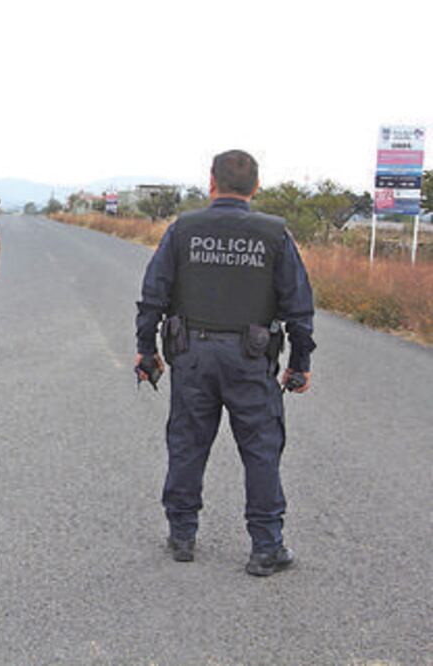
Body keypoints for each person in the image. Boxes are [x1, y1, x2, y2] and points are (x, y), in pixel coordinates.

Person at [134, 150, 316, 577]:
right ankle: (266, 546)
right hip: (251, 360)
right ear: (255, 187)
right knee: (261, 449)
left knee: (187, 442)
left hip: (192, 356)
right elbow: (298, 307)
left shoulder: (183, 231)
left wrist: (146, 350)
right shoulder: (276, 236)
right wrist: (300, 363)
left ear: (210, 183)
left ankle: (182, 535)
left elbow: (153, 295)